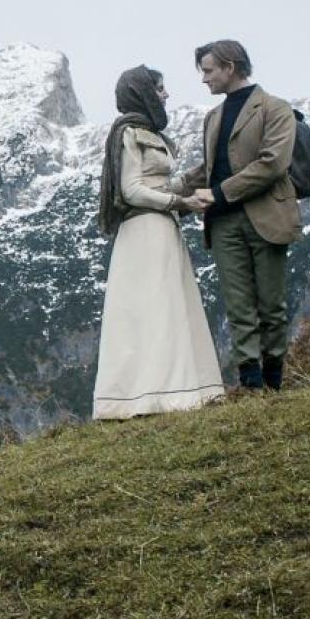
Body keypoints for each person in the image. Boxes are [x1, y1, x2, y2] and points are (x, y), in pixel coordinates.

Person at [93, 65, 225, 419]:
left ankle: (174, 390)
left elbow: (157, 185)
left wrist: (193, 179)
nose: (166, 95)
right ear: (142, 92)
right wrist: (179, 202)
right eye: (159, 88)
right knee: (154, 305)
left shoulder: (148, 133)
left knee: (167, 303)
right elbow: (132, 190)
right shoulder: (128, 133)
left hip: (161, 227)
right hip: (145, 229)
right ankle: (155, 394)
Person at [184, 40, 302, 391]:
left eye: (208, 70)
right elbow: (208, 168)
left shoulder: (275, 108)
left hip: (266, 216)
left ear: (230, 67)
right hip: (223, 224)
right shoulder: (213, 117)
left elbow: (273, 164)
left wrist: (219, 193)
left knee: (271, 305)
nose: (204, 79)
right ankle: (251, 385)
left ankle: (274, 381)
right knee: (238, 307)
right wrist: (166, 191)